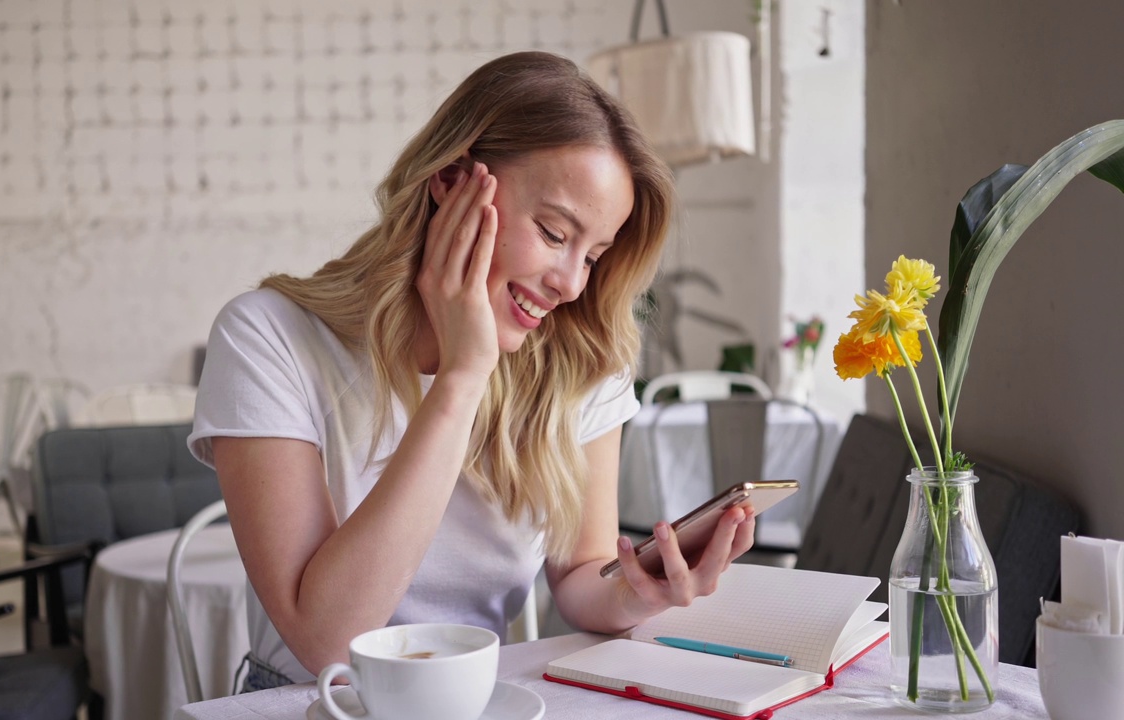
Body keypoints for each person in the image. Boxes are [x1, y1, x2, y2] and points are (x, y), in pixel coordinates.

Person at [188, 51, 757, 690]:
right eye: (552, 232)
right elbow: (330, 643)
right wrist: (461, 379)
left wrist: (641, 592)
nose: (571, 285)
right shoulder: (269, 338)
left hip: (478, 698)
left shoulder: (581, 361)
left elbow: (580, 574)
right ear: (453, 182)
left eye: (594, 256)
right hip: (305, 704)